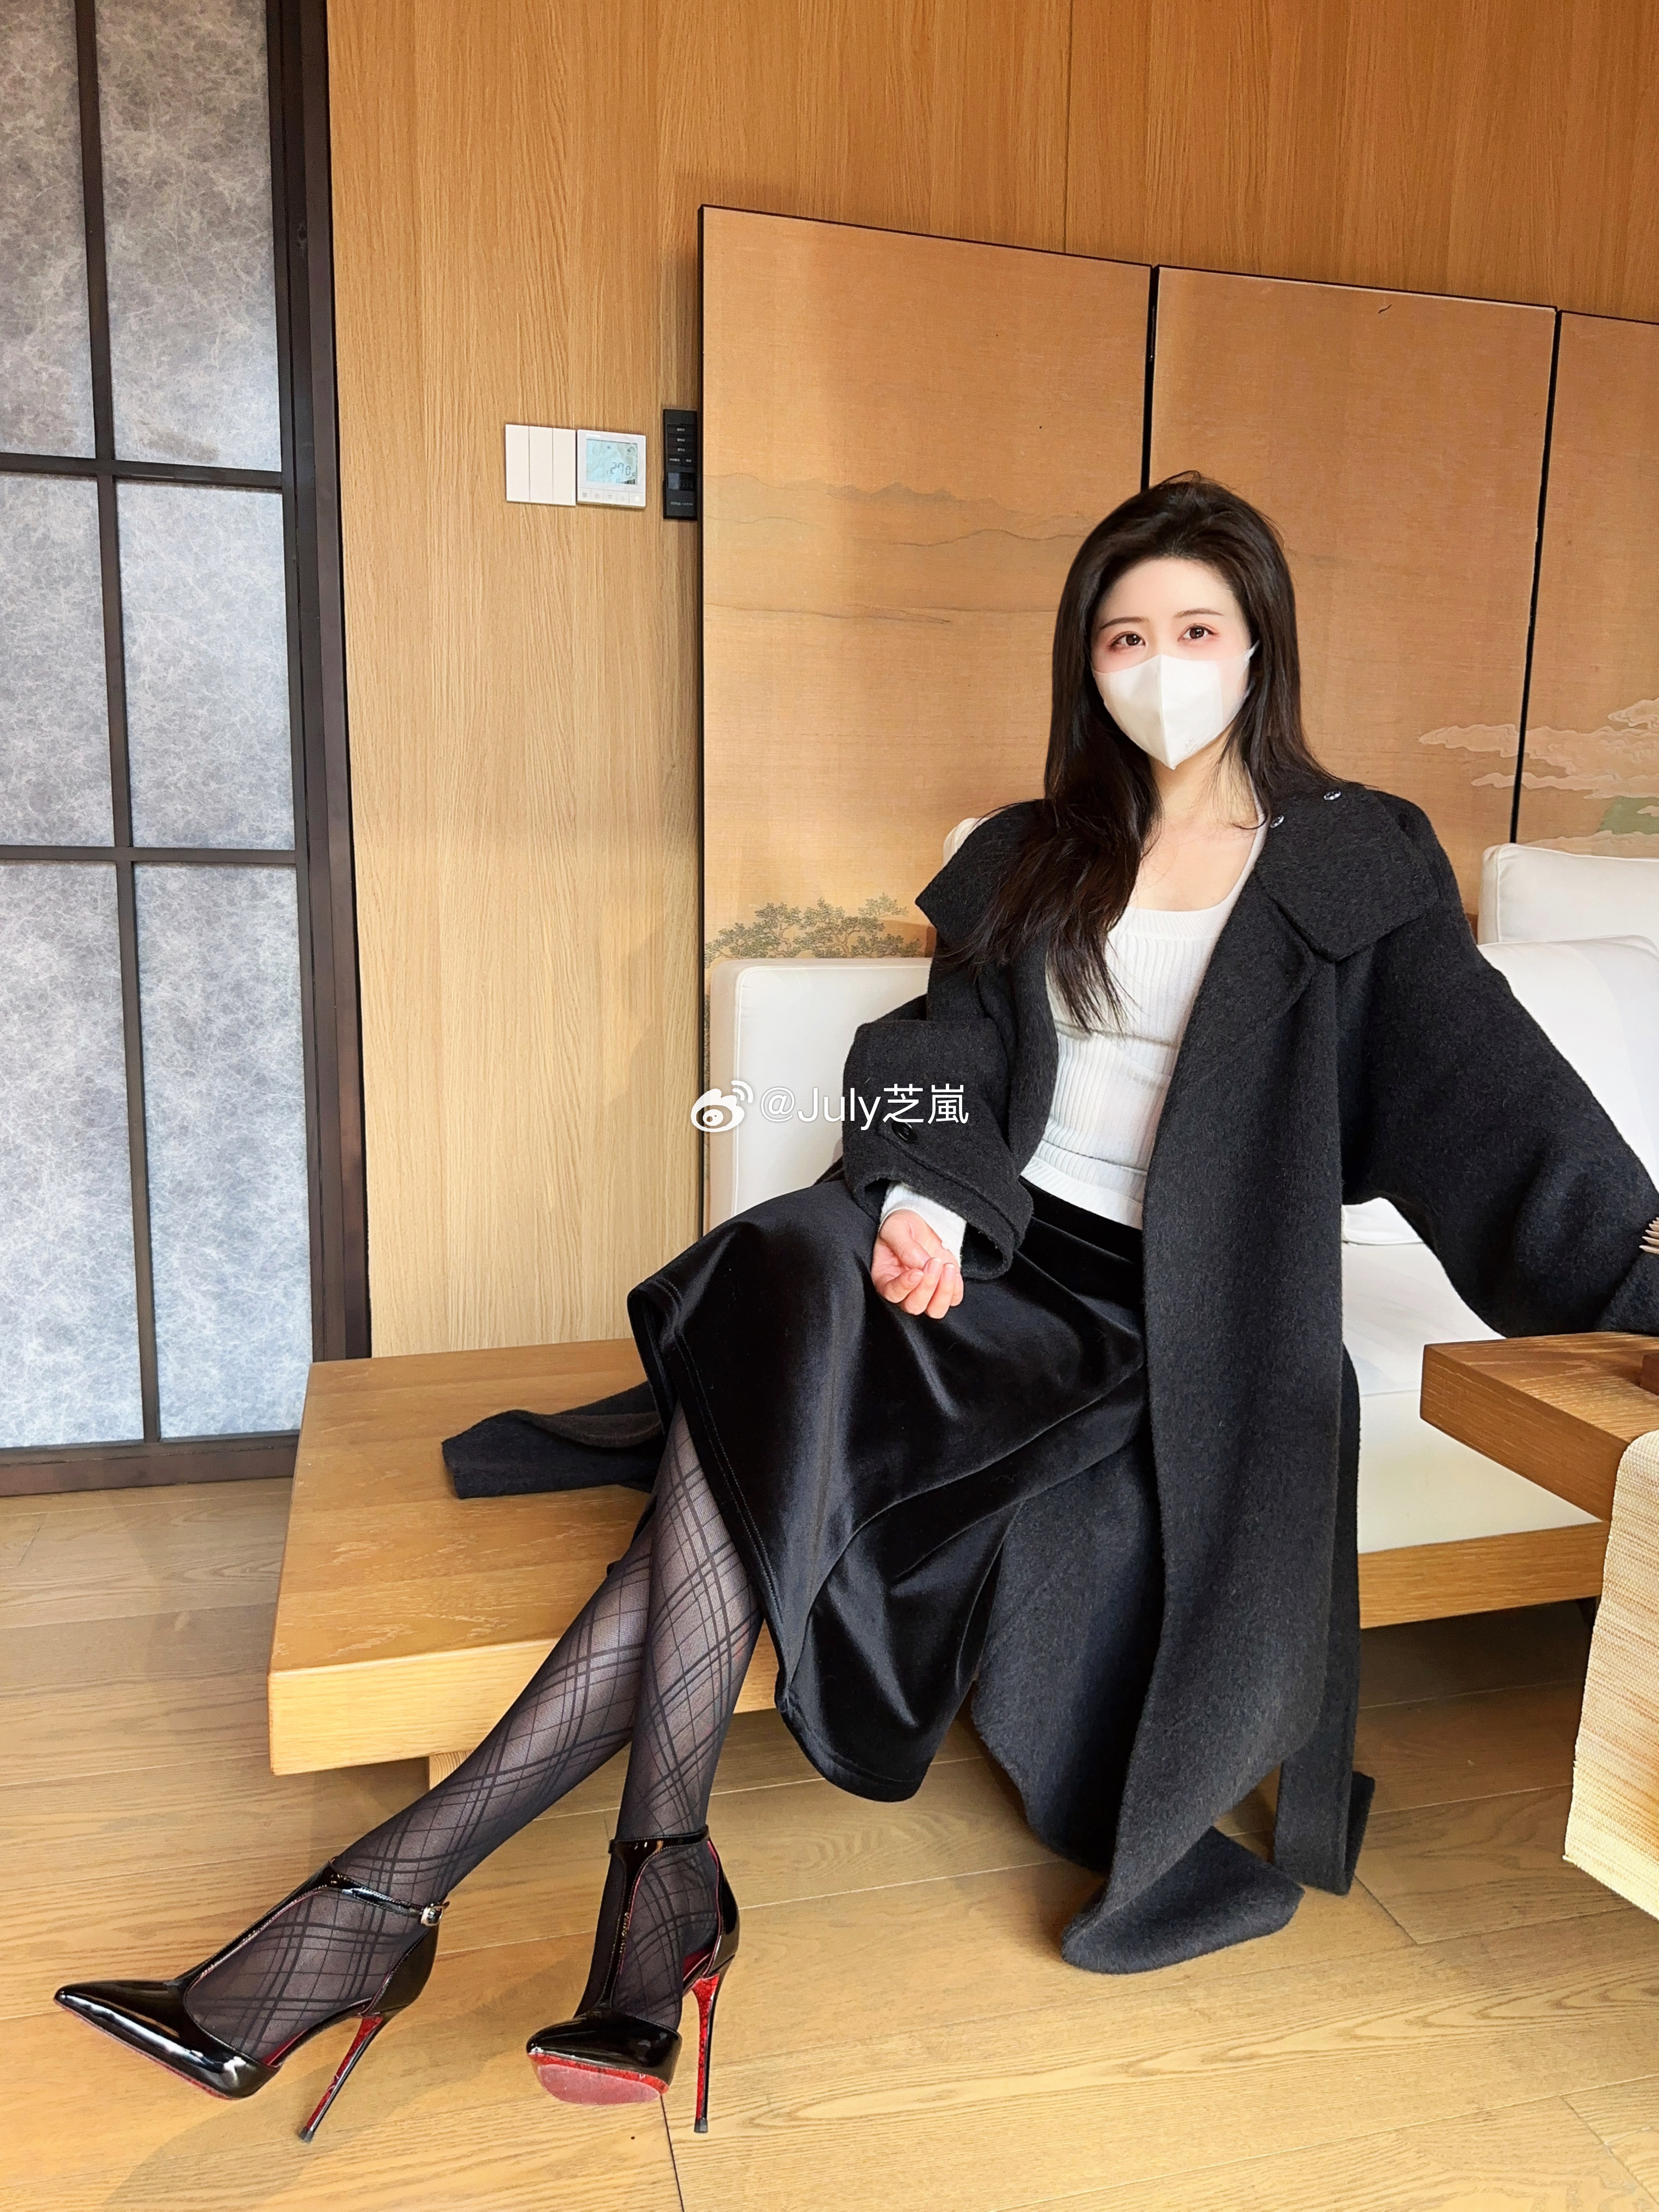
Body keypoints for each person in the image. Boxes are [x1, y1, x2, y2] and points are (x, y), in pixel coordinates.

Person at [57, 473, 1659, 2143]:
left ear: (1260, 646)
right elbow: (936, 1050)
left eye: (1196, 629)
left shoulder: (1353, 859)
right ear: (1085, 660)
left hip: (1158, 1313)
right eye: (1125, 638)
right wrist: (922, 1201)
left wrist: (1637, 1262)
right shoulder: (1033, 851)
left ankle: (428, 1901)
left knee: (735, 1443)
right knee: (784, 1260)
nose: (1161, 667)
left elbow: (1493, 1099)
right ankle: (621, 1892)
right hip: (987, 1246)